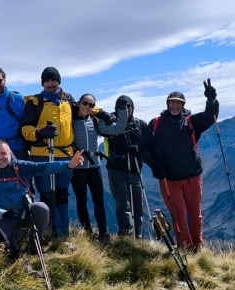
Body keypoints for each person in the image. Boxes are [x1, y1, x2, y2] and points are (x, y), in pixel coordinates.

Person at [139, 82, 219, 251]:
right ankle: (184, 248)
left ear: (183, 105)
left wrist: (212, 100)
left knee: (195, 216)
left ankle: (196, 248)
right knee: (179, 217)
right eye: (172, 102)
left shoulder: (190, 121)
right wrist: (155, 165)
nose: (175, 105)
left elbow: (210, 116)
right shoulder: (156, 123)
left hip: (192, 176)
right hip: (169, 179)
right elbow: (143, 148)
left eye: (179, 103)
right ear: (167, 104)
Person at [21, 67, 76, 237]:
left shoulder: (68, 100)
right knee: (46, 192)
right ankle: (48, 230)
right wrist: (39, 133)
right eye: (47, 81)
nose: (50, 84)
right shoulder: (35, 102)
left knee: (61, 193)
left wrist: (100, 112)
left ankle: (62, 232)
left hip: (66, 154)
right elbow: (25, 128)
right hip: (43, 153)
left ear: (59, 81)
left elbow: (84, 109)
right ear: (43, 83)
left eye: (53, 80)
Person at [70, 94, 128, 243]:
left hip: (94, 167)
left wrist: (122, 111)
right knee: (81, 201)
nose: (87, 107)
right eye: (85, 103)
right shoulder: (69, 120)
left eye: (91, 105)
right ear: (79, 103)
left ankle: (104, 234)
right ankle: (89, 233)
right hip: (78, 168)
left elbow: (118, 128)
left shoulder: (96, 121)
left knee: (99, 201)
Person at [104, 95, 148, 237]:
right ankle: (126, 236)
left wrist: (138, 150)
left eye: (128, 106)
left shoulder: (140, 124)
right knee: (123, 204)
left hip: (135, 169)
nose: (125, 109)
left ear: (132, 107)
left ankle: (138, 235)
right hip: (116, 169)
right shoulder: (111, 123)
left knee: (137, 205)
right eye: (121, 107)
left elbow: (148, 145)